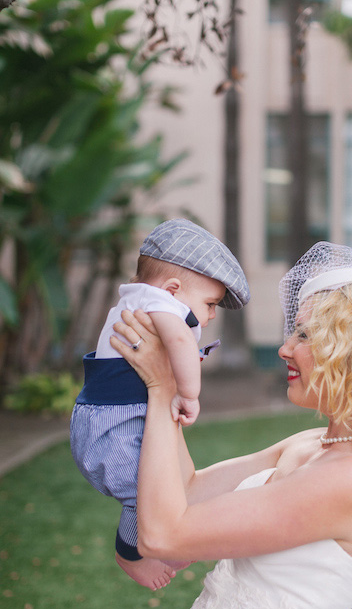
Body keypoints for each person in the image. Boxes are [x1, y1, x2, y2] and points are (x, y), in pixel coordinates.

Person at [110, 242, 352, 609]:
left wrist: (161, 392)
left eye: (304, 335)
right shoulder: (311, 443)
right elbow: (188, 493)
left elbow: (161, 536)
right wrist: (169, 380)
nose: (285, 348)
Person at [70, 219, 250, 590]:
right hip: (112, 428)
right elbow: (182, 346)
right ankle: (131, 554)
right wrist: (189, 393)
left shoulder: (142, 302)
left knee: (164, 484)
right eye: (210, 303)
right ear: (172, 289)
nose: (212, 314)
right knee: (145, 492)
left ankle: (161, 540)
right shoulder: (156, 304)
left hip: (119, 418)